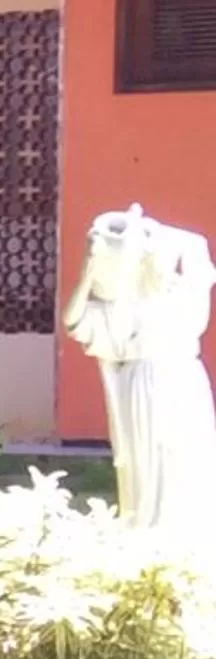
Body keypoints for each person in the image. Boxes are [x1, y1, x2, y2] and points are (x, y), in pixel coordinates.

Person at [61, 205, 216, 535]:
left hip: (184, 381)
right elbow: (74, 321)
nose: (164, 270)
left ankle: (192, 527)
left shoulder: (185, 300)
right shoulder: (125, 308)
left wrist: (151, 232)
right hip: (143, 385)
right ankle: (151, 527)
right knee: (149, 462)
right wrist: (89, 271)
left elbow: (199, 262)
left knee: (188, 455)